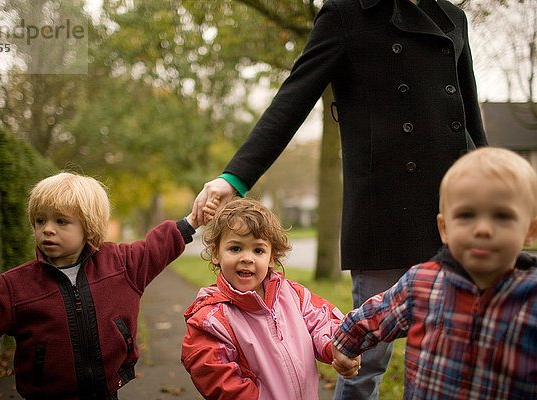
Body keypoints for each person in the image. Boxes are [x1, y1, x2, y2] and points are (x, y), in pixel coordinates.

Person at [191, 0, 488, 397]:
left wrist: (495, 194)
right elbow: (295, 95)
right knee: (366, 359)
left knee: (444, 356)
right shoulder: (347, 14)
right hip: (385, 211)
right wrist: (236, 177)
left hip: (456, 208)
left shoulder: (453, 17)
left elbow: (469, 117)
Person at [0, 172, 217, 400]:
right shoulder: (16, 287)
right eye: (40, 220)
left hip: (107, 392)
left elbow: (157, 247)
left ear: (89, 228)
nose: (47, 229)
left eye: (61, 221)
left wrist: (192, 221)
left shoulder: (121, 265)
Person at [331, 147, 537, 399]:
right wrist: (345, 342)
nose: (483, 229)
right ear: (444, 228)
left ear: (530, 230)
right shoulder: (423, 283)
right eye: (466, 215)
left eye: (502, 216)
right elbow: (376, 314)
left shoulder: (532, 299)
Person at [181, 198, 355, 399]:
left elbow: (323, 323)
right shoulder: (211, 321)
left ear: (271, 257)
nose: (247, 258)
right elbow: (218, 378)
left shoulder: (293, 295)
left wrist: (340, 347)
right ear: (216, 254)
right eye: (235, 248)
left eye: (258, 250)